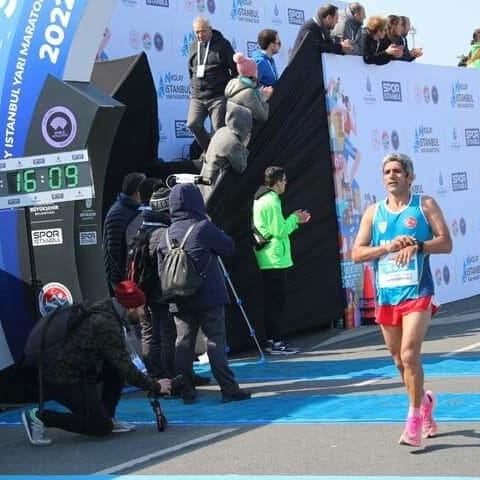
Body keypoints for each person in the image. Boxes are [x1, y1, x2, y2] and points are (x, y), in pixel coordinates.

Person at [352, 153, 452, 447]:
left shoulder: (424, 205)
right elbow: (357, 253)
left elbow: (446, 243)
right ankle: (425, 403)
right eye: (387, 172)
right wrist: (386, 247)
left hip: (417, 292)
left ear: (410, 177)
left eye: (397, 171)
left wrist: (418, 245)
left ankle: (413, 421)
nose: (392, 176)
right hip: (387, 295)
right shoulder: (374, 212)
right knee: (399, 361)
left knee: (409, 355)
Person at [21, 281, 172, 446]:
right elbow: (127, 368)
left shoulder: (107, 309)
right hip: (62, 378)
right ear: (131, 308)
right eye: (142, 308)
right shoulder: (106, 324)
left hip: (78, 371)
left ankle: (108, 416)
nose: (144, 313)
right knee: (100, 427)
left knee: (114, 369)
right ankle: (40, 417)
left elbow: (120, 363)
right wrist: (155, 386)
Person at [157, 183, 251, 404]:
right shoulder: (202, 227)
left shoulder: (165, 234)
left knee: (183, 343)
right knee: (214, 341)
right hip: (209, 294)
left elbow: (161, 269)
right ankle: (228, 389)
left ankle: (187, 391)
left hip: (178, 296)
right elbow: (228, 247)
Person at [252, 167, 311, 355]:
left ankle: (273, 340)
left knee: (273, 301)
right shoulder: (271, 200)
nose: (286, 183)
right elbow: (279, 230)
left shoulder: (262, 198)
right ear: (277, 182)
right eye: (284, 180)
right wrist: (295, 218)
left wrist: (294, 219)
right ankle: (275, 342)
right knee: (276, 302)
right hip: (274, 258)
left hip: (269, 256)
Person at [187, 16, 237, 153]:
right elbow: (190, 68)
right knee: (193, 123)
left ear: (210, 29)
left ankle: (215, 157)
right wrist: (194, 86)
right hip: (198, 96)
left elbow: (234, 69)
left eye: (203, 31)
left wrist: (230, 89)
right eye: (197, 32)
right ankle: (210, 151)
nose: (200, 35)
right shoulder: (194, 45)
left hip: (218, 96)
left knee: (217, 130)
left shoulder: (223, 44)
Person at [103, 172, 146, 294]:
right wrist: (121, 282)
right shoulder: (118, 213)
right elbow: (113, 251)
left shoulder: (133, 209)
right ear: (137, 191)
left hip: (130, 276)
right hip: (121, 281)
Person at [252, 29, 281, 96]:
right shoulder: (260, 62)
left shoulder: (270, 59)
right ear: (271, 45)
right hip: (263, 101)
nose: (280, 46)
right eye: (279, 43)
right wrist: (263, 91)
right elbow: (250, 86)